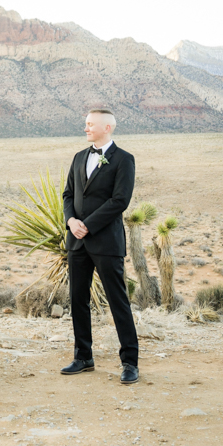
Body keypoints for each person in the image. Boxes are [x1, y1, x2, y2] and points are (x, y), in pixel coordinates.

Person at [60, 109, 140, 385]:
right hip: (77, 242)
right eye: (85, 124)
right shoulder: (79, 157)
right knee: (77, 300)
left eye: (90, 124)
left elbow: (120, 201)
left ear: (107, 127)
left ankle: (130, 362)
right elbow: (68, 194)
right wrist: (71, 220)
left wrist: (88, 225)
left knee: (118, 301)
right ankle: (83, 357)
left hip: (106, 243)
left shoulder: (124, 160)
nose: (86, 129)